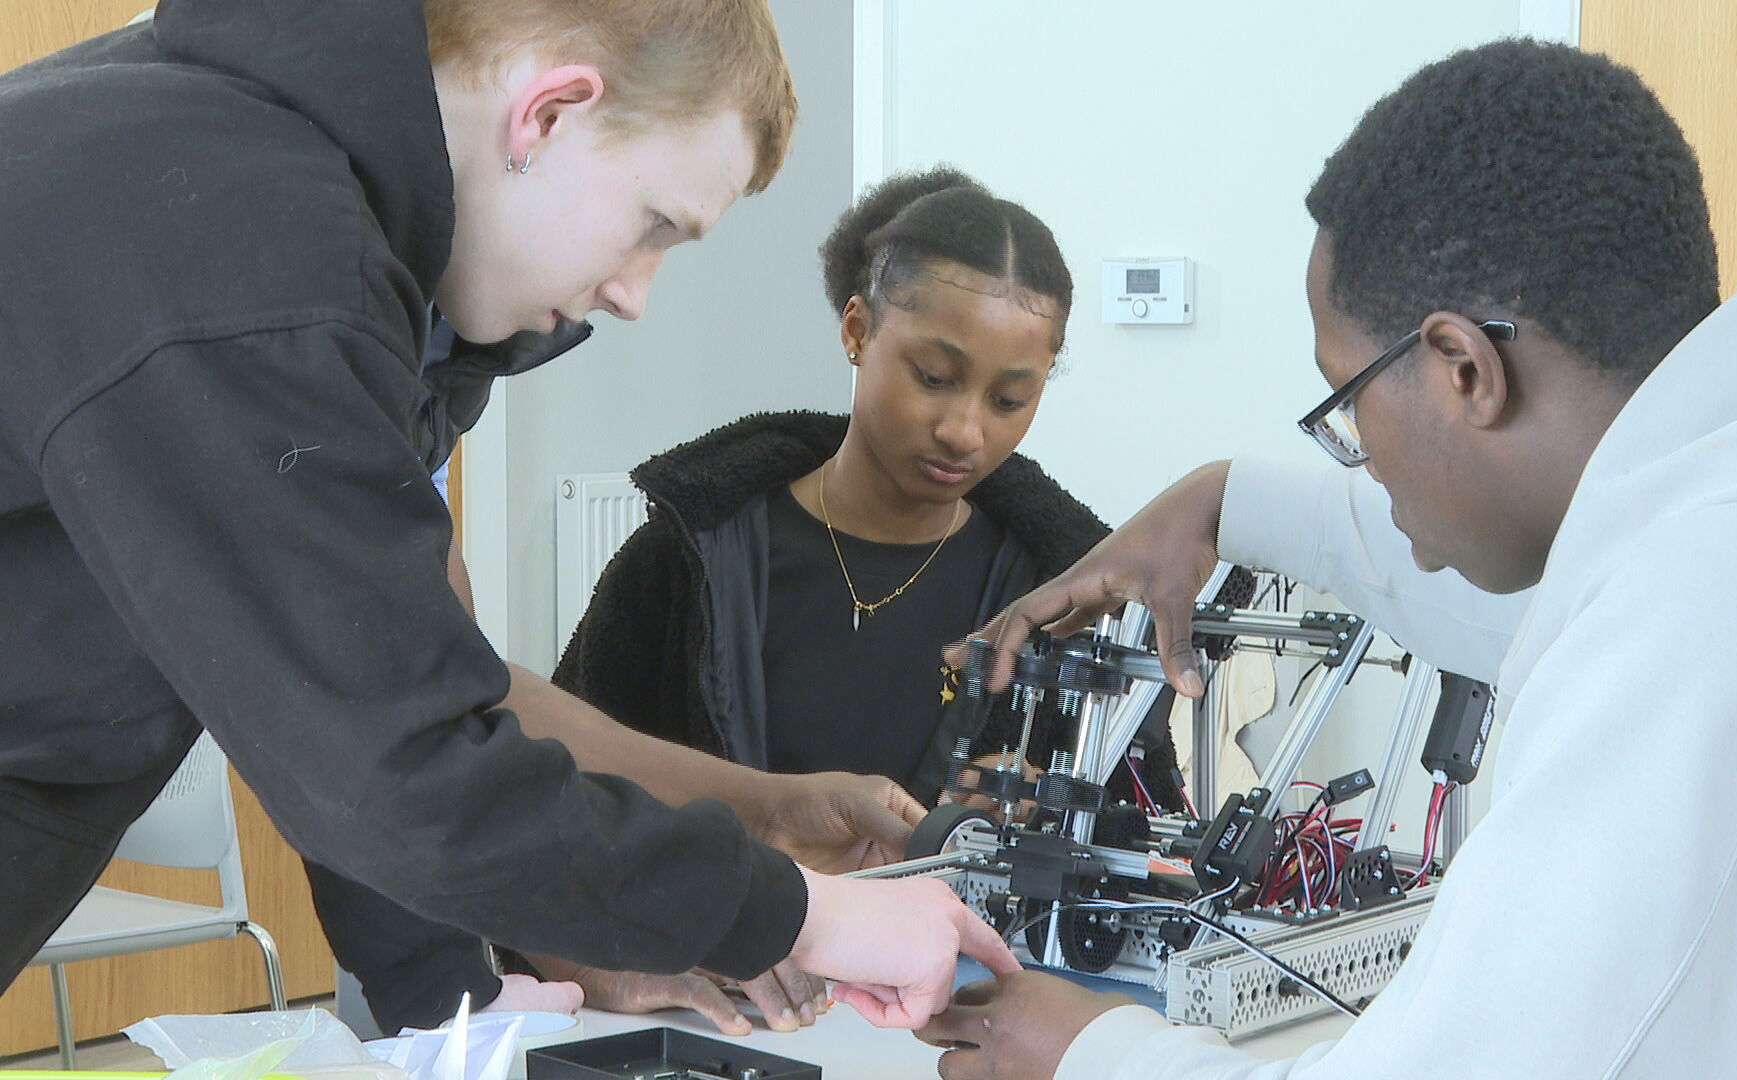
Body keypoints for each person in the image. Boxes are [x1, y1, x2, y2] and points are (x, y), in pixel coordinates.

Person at [0, 0, 1016, 1031]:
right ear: (549, 115)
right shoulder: (246, 254)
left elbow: (361, 683)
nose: (635, 294)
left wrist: (456, 1001)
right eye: (656, 224)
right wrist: (797, 915)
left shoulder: (317, 217)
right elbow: (393, 766)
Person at [920, 38, 1737, 1079]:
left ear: (1461, 369)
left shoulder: (1710, 615)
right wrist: (1229, 500)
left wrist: (1092, 1053)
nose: (1359, 454)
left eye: (1347, 399)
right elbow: (1513, 598)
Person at [322, 166, 1191, 1035]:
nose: (965, 429)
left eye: (1011, 399)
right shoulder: (694, 557)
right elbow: (533, 775)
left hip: (956, 1034)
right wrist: (594, 958)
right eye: (933, 376)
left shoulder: (1070, 603)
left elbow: (1151, 871)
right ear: (858, 330)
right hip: (730, 1025)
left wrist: (1058, 834)